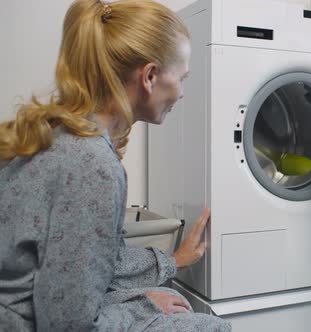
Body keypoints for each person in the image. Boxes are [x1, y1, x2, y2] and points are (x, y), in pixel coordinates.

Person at [0, 1, 230, 331]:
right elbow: (67, 324)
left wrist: (173, 261)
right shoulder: (91, 163)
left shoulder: (62, 134)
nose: (181, 93)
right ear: (150, 76)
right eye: (182, 78)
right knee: (211, 326)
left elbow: (90, 259)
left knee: (170, 299)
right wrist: (143, 306)